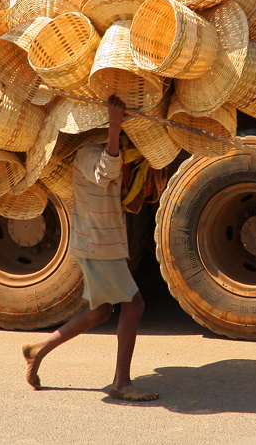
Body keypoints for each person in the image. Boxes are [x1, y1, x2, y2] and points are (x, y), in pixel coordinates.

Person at [22, 95, 158, 401]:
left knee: (99, 313)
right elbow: (105, 172)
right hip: (99, 244)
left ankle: (37, 350)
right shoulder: (86, 153)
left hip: (101, 242)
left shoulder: (99, 149)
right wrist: (114, 125)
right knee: (133, 306)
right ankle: (121, 383)